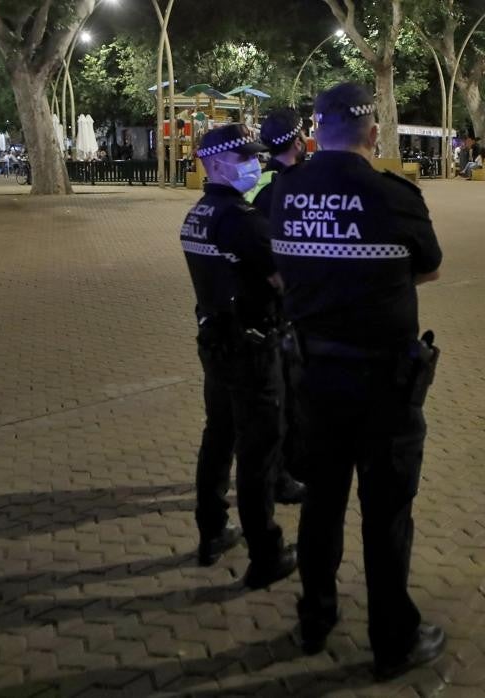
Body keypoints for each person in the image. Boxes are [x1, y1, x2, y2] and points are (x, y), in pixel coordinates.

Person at [268, 83, 446, 680]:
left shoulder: (284, 191)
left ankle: (315, 620)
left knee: (321, 504)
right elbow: (430, 267)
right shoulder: (393, 195)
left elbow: (281, 268)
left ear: (316, 131)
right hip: (383, 386)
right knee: (386, 513)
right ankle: (392, 639)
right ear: (373, 133)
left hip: (313, 378)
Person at [178, 124, 299, 589]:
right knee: (258, 450)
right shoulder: (242, 220)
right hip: (252, 347)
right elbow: (281, 278)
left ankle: (212, 531)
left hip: (214, 343)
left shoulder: (197, 215)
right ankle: (265, 553)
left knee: (219, 437)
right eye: (244, 158)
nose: (254, 164)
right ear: (215, 164)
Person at [245, 108, 312, 507]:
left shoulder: (260, 182)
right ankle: (281, 475)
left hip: (258, 303)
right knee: (285, 397)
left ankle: (277, 469)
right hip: (282, 305)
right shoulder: (289, 186)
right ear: (297, 141)